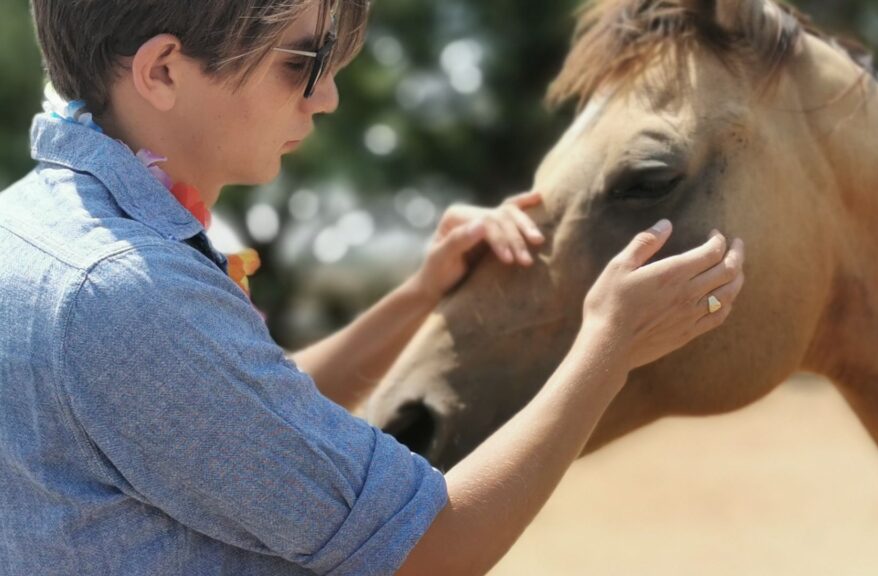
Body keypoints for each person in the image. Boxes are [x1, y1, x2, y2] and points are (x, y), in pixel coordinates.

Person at [0, 0, 746, 574]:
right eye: (301, 63)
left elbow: (235, 416)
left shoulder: (33, 224)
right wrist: (608, 348)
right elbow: (432, 547)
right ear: (163, 70)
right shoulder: (131, 292)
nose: (325, 98)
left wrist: (419, 293)